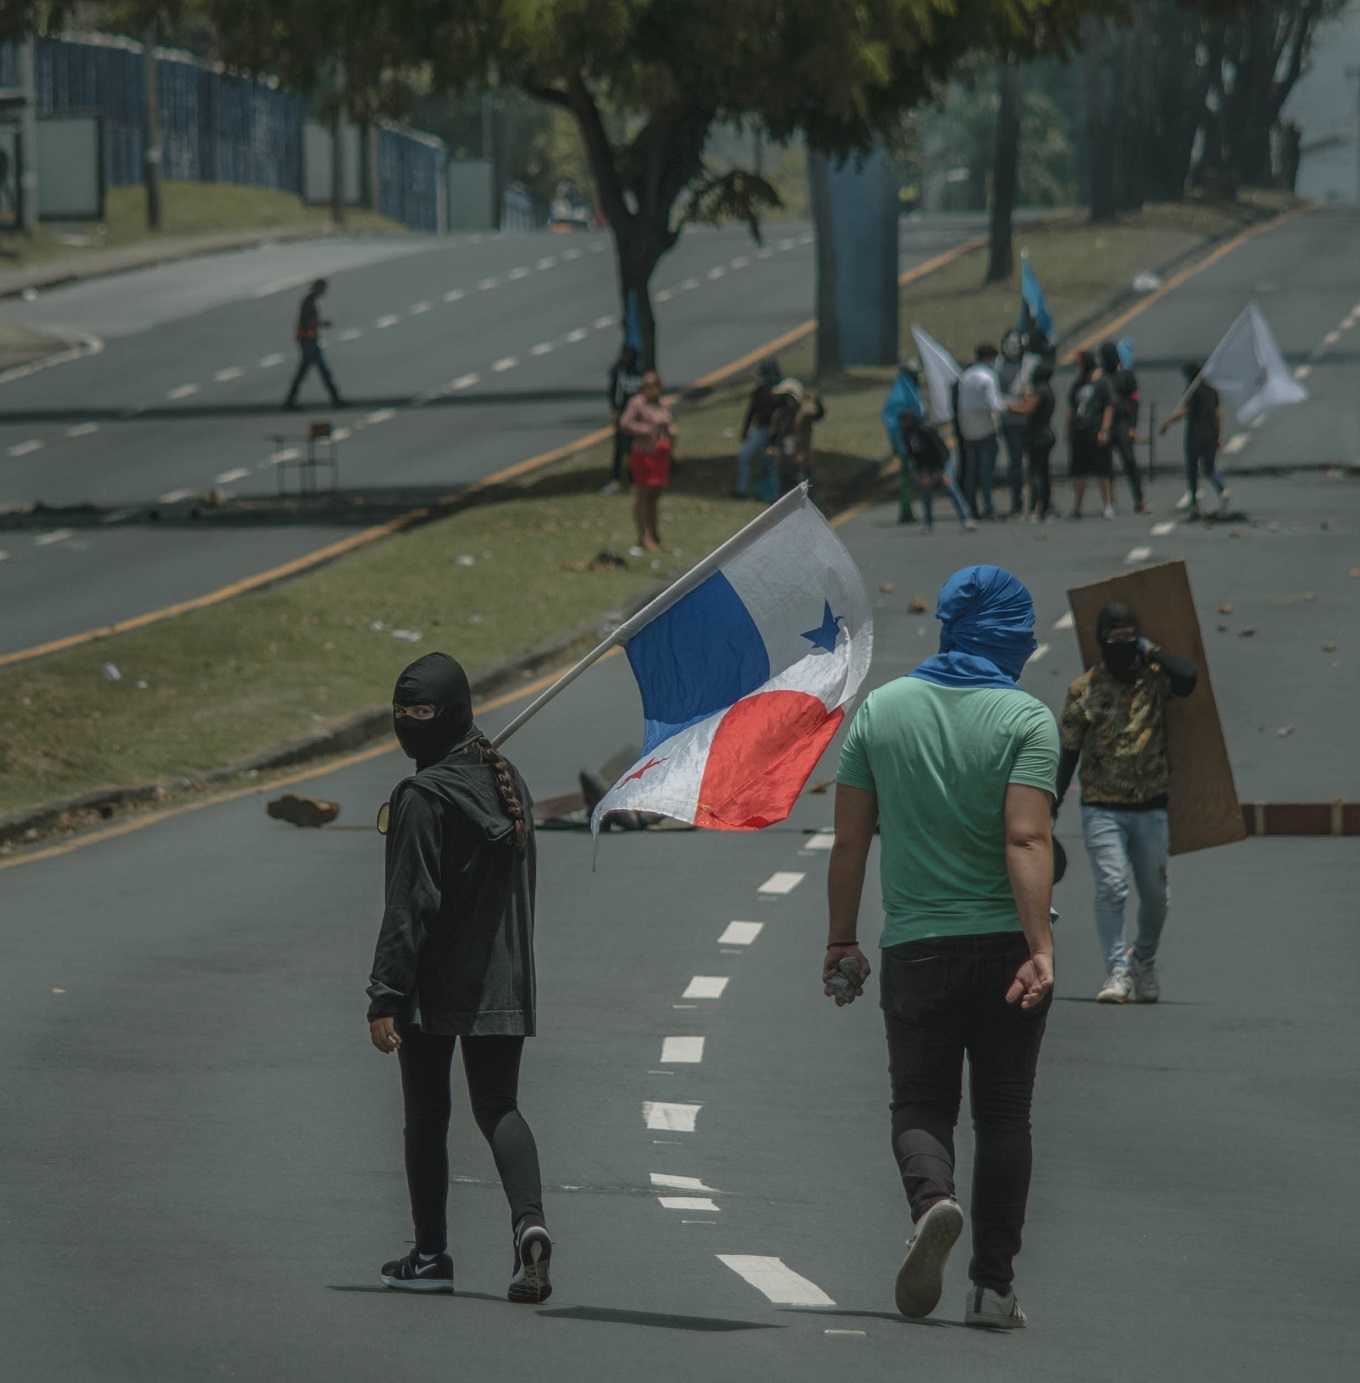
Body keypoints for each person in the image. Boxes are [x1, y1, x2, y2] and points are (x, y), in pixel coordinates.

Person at [827, 566, 1058, 1330]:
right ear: (1010, 636)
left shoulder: (881, 713)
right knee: (1004, 1114)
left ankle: (934, 1201)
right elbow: (1026, 835)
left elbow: (851, 840)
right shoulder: (1026, 720)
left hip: (917, 947)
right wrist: (1041, 948)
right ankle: (992, 1288)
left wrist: (841, 940)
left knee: (921, 1102)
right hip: (1003, 947)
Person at [367, 652, 551, 1302]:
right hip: (505, 980)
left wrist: (385, 993)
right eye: (401, 712)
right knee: (498, 1106)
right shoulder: (506, 781)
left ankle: (430, 1254)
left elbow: (409, 905)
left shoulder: (422, 796)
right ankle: (530, 1222)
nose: (408, 723)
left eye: (420, 713)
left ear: (450, 713)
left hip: (431, 986)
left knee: (426, 1113)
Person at [1055, 604, 1198, 1003]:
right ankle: (1116, 971)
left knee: (1156, 894)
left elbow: (1189, 678)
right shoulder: (1083, 691)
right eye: (1115, 639)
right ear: (1100, 642)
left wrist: (1153, 652)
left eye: (1130, 638)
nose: (1124, 647)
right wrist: (1050, 804)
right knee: (1112, 887)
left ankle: (1143, 960)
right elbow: (1068, 752)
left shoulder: (1155, 681)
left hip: (1151, 807)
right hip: (1102, 808)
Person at [956, 345, 1024, 521]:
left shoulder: (966, 376)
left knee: (971, 470)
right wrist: (1012, 405)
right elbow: (993, 404)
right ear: (988, 359)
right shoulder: (988, 377)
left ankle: (971, 507)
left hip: (968, 430)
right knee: (986, 471)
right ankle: (988, 506)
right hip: (985, 429)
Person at [1159, 362, 1230, 519]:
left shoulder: (1192, 390)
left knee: (1192, 469)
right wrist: (1219, 436)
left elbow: (1186, 410)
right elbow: (1218, 414)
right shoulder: (1212, 390)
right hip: (1211, 435)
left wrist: (1167, 422)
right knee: (1209, 468)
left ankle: (1194, 502)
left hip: (1195, 436)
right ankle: (1222, 490)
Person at [619, 370, 675, 550]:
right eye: (646, 386)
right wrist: (646, 429)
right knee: (643, 495)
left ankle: (655, 534)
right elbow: (624, 423)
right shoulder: (637, 404)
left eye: (653, 386)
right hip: (643, 454)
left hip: (660, 454)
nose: (649, 390)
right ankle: (644, 536)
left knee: (655, 496)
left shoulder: (662, 404)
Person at [899, 407, 974, 532]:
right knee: (926, 490)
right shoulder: (907, 435)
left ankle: (966, 518)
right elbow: (915, 456)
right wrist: (924, 473)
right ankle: (928, 522)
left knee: (950, 487)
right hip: (926, 465)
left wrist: (943, 473)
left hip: (942, 462)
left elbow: (940, 453)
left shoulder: (926, 430)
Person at [1066, 350, 1115, 519]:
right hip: (1080, 432)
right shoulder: (1078, 384)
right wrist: (1069, 430)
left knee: (1103, 471)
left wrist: (1105, 429)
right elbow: (1071, 408)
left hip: (1096, 431)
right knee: (1079, 473)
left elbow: (1109, 406)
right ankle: (1077, 507)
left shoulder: (1102, 383)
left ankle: (1108, 505)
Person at [1099, 341, 1146, 514]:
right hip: (1105, 425)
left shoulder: (1126, 376)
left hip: (1122, 424)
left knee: (1130, 462)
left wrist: (1132, 426)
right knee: (1105, 466)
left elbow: (1134, 402)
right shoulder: (1102, 378)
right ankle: (1110, 502)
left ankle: (1139, 499)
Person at [283, 278, 344, 409]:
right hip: (308, 341)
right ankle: (336, 399)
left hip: (309, 340)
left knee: (307, 372)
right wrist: (321, 323)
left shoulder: (310, 301)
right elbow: (307, 321)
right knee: (321, 371)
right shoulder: (308, 302)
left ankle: (290, 401)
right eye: (322, 288)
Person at [734, 357, 781, 497]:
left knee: (772, 463)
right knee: (744, 455)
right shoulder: (759, 391)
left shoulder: (781, 390)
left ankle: (775, 495)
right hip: (761, 429)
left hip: (777, 432)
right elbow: (751, 411)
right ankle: (741, 490)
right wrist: (745, 430)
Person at [603, 346, 645, 495]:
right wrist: (616, 410)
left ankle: (635, 480)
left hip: (637, 420)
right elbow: (613, 392)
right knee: (619, 450)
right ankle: (615, 479)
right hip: (622, 419)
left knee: (634, 451)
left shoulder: (640, 374)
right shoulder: (619, 372)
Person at [997, 331, 1030, 519]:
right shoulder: (999, 366)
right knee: (1015, 463)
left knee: (1032, 463)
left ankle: (1037, 502)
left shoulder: (1029, 364)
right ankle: (1017, 501)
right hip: (1011, 422)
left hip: (1027, 421)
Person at [1025, 358, 1057, 522]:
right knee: (1043, 473)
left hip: (1038, 436)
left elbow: (1029, 408)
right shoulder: (1046, 389)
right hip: (1045, 434)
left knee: (1035, 473)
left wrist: (1009, 406)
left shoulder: (1040, 390)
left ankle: (1036, 506)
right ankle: (1045, 506)